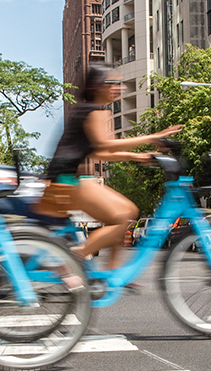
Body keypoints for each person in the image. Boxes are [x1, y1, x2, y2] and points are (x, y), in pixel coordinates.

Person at [40, 63, 181, 275]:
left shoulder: (97, 111)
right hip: (63, 184)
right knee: (120, 217)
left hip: (67, 182)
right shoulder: (92, 111)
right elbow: (104, 146)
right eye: (113, 83)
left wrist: (135, 156)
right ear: (98, 86)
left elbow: (101, 153)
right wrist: (151, 138)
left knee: (129, 211)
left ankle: (113, 272)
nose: (119, 88)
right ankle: (73, 259)